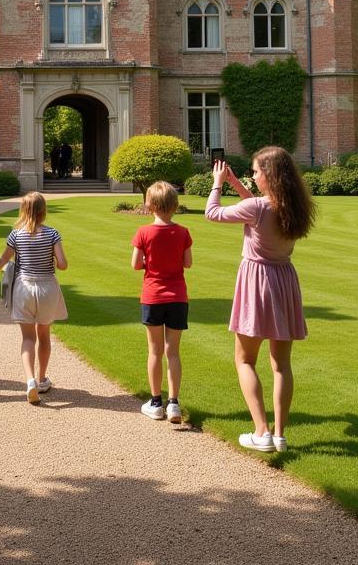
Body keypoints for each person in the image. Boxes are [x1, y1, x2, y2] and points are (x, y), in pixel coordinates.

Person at [205, 148, 315, 452]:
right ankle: (279, 435)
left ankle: (261, 431)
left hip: (257, 280)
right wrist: (236, 183)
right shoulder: (294, 206)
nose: (253, 177)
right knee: (281, 365)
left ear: (269, 175)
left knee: (244, 360)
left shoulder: (257, 207)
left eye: (256, 172)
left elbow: (212, 212)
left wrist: (217, 184)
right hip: (284, 280)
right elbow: (253, 204)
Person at [0, 192, 68, 403]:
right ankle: (42, 378)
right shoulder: (52, 234)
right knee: (43, 334)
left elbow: (2, 260)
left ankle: (29, 381)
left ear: (23, 210)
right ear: (43, 211)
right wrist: (54, 258)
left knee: (28, 338)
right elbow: (62, 264)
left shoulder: (16, 235)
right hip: (46, 287)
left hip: (24, 287)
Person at [131, 180, 193, 423]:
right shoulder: (183, 232)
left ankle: (156, 401)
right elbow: (187, 263)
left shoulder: (143, 232)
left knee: (155, 351)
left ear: (150, 205)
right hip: (177, 296)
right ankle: (174, 403)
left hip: (153, 295)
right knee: (173, 352)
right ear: (174, 205)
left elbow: (136, 264)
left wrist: (150, 263)